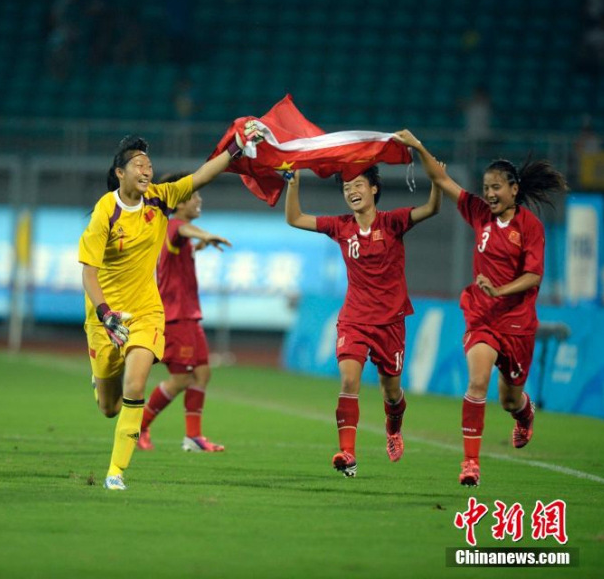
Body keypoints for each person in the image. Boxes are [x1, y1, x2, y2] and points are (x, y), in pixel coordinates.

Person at [79, 123, 263, 490]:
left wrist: (238, 147)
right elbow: (88, 272)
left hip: (148, 311)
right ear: (120, 173)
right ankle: (102, 387)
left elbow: (201, 175)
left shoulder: (160, 198)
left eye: (149, 164)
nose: (147, 170)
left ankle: (116, 472)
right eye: (139, 164)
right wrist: (105, 314)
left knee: (136, 384)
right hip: (106, 318)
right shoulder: (104, 212)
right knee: (109, 407)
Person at [392, 129, 569, 487]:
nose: (488, 194)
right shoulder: (478, 213)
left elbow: (534, 276)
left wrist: (501, 288)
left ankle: (525, 414)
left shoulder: (530, 227)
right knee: (476, 381)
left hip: (517, 323)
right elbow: (441, 178)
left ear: (513, 189)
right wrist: (416, 145)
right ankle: (470, 464)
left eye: (496, 188)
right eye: (486, 187)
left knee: (509, 399)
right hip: (482, 316)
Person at [285, 166, 441, 477]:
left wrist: (437, 181)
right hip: (354, 318)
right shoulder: (340, 226)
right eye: (346, 188)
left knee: (391, 391)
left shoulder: (393, 222)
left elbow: (431, 208)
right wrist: (293, 184)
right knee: (348, 381)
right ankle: (348, 454)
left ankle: (393, 428)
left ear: (373, 190)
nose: (351, 191)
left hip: (390, 323)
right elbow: (295, 218)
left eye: (358, 185)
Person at [137, 171, 230, 453]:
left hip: (189, 315)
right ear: (178, 202)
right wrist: (206, 234)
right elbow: (183, 229)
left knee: (202, 373)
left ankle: (193, 437)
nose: (199, 199)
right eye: (194, 196)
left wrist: (199, 244)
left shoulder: (178, 235)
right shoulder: (173, 224)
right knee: (181, 379)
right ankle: (137, 427)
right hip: (176, 317)